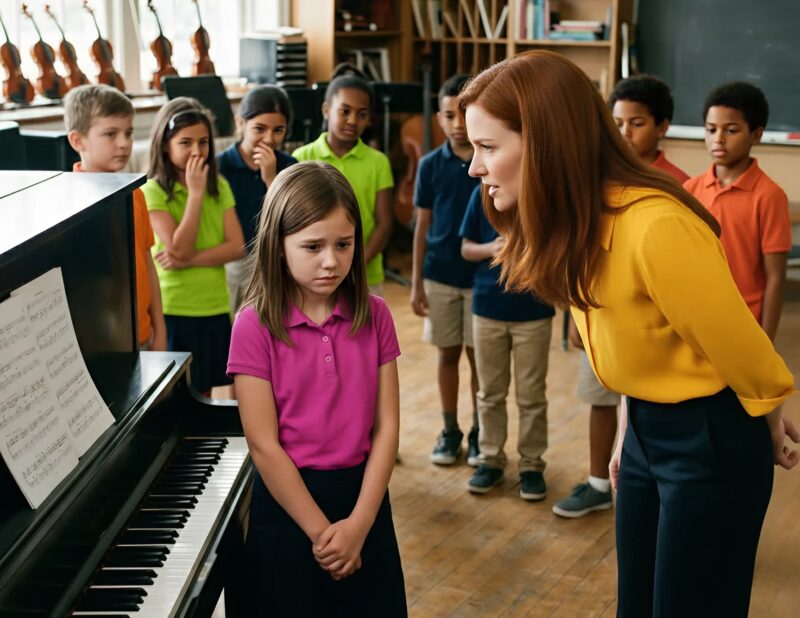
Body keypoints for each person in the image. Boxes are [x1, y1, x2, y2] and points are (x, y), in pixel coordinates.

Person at [459, 50, 797, 617]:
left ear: (545, 144)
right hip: (644, 427)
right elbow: (633, 347)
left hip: (710, 436)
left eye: (488, 147)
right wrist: (626, 429)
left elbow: (740, 345)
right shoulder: (574, 223)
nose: (475, 167)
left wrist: (769, 419)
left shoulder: (656, 225)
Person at [227, 161, 406, 616]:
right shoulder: (253, 325)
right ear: (278, 246)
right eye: (312, 246)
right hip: (289, 508)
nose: (331, 261)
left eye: (343, 244)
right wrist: (324, 535)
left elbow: (386, 428)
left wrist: (359, 525)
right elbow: (263, 445)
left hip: (363, 500)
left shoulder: (376, 315)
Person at [553, 75, 691, 518]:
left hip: (655, 328)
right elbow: (580, 249)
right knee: (599, 397)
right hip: (600, 313)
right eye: (617, 122)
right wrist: (577, 315)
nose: (626, 132)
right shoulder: (595, 179)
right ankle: (598, 482)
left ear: (662, 126)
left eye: (638, 122)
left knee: (648, 408)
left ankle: (647, 482)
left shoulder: (678, 186)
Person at [142, 97, 244, 396]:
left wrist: (188, 261)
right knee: (175, 396)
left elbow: (236, 247)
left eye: (203, 142)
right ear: (165, 145)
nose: (197, 151)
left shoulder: (219, 186)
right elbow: (179, 248)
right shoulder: (153, 190)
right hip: (175, 309)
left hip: (214, 305)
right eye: (185, 143)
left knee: (205, 393)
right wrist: (196, 195)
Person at [460, 186, 554, 499]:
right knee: (489, 392)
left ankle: (532, 465)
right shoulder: (481, 195)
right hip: (487, 309)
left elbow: (561, 244)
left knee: (531, 396)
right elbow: (466, 249)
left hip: (534, 312)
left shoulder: (543, 194)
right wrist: (492, 248)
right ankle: (490, 460)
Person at [684, 81, 792, 340]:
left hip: (745, 323)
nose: (718, 139)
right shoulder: (690, 189)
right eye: (711, 129)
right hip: (696, 318)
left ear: (756, 135)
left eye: (731, 130)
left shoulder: (769, 196)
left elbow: (775, 277)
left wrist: (766, 340)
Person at [411, 73, 481, 466]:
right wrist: (416, 283)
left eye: (464, 115)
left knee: (478, 360)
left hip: (480, 280)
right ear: (439, 118)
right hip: (439, 276)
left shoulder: (487, 162)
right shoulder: (429, 166)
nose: (457, 124)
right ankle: (450, 429)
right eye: (449, 115)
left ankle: (480, 432)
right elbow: (422, 225)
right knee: (447, 355)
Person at [64, 84, 166, 352]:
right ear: (77, 141)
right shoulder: (69, 202)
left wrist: (160, 328)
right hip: (101, 345)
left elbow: (147, 261)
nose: (124, 143)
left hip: (143, 334)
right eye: (110, 134)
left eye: (128, 133)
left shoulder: (135, 194)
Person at [292, 73, 394, 294]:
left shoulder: (378, 162)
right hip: (314, 273)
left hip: (365, 274)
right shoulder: (301, 158)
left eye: (362, 114)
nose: (352, 120)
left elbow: (384, 224)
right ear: (326, 110)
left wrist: (355, 264)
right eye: (345, 111)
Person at [218, 85, 298, 313]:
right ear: (240, 123)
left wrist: (271, 178)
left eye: (278, 130)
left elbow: (292, 218)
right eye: (260, 129)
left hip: (276, 261)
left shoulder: (290, 166)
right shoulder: (220, 165)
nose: (269, 139)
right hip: (234, 263)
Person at [609, 74, 689, 183]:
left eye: (637, 124)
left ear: (662, 128)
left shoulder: (677, 182)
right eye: (618, 124)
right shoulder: (604, 174)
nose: (625, 132)